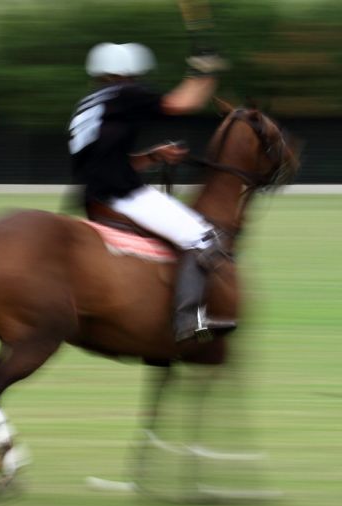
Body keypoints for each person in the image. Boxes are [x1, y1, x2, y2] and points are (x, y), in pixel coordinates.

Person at [67, 42, 233, 342]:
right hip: (121, 195)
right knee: (204, 236)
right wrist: (205, 72)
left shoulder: (89, 104)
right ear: (128, 72)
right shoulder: (124, 93)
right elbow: (182, 103)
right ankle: (189, 319)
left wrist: (153, 156)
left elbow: (104, 159)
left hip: (93, 197)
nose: (138, 80)